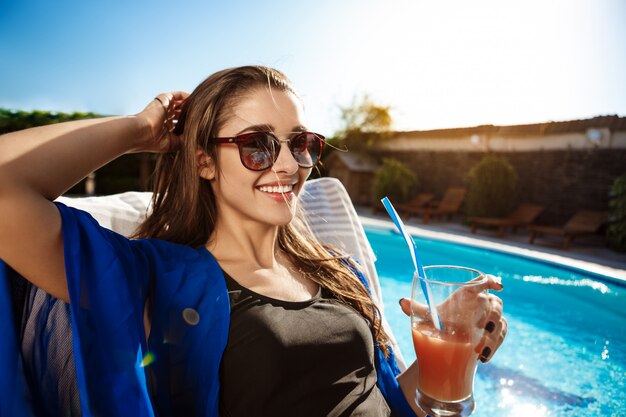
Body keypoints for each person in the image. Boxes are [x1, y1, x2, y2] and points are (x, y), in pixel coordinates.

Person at [0, 66, 506, 417]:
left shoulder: (338, 270)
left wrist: (456, 343)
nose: (288, 164)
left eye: (302, 143)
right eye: (257, 145)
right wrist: (140, 130)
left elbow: (392, 402)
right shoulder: (158, 279)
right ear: (203, 161)